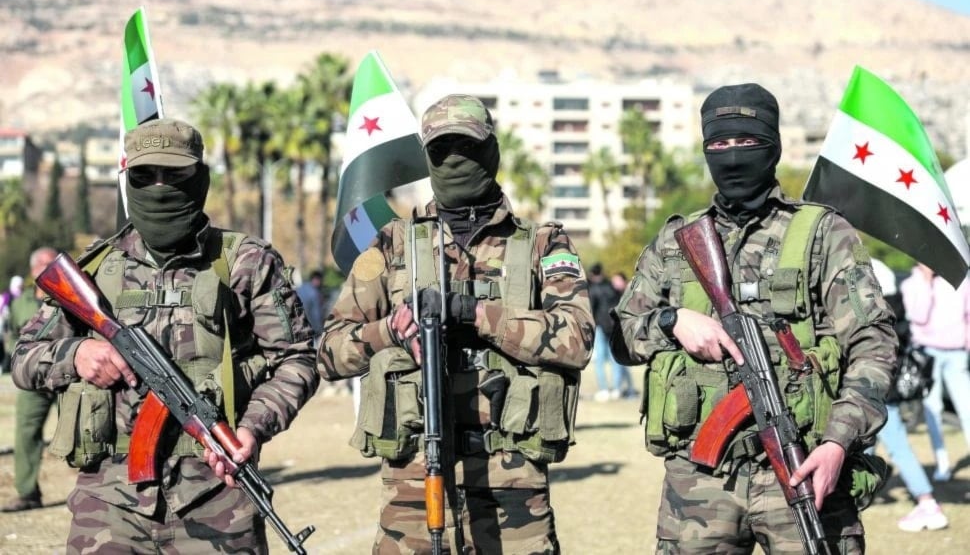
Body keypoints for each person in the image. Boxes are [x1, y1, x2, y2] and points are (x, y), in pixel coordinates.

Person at [610, 83, 897, 553]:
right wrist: (671, 321)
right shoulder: (678, 241)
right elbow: (621, 336)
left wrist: (837, 443)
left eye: (747, 142)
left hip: (804, 464)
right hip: (700, 485)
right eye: (719, 143)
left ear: (774, 146)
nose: (733, 154)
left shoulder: (823, 233)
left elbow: (874, 344)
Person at [11, 118, 319, 552]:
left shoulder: (246, 263)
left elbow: (298, 359)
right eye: (144, 175)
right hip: (108, 507)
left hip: (218, 498)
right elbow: (25, 357)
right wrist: (77, 353)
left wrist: (252, 428)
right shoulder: (96, 270)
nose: (159, 185)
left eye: (175, 174)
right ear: (127, 180)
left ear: (201, 178)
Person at [319, 94, 593, 554]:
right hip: (414, 484)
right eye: (441, 151)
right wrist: (392, 331)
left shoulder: (542, 243)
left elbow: (577, 338)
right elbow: (329, 352)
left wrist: (476, 315)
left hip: (513, 484)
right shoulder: (392, 245)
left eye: (466, 148)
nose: (454, 160)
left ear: (491, 152)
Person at [869, 258, 948, 532]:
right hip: (883, 382)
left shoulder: (872, 290)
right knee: (864, 444)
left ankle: (927, 503)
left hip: (877, 386)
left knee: (897, 444)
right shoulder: (889, 285)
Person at [900, 263, 970, 483]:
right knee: (933, 410)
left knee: (966, 408)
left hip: (957, 353)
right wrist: (926, 283)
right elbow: (918, 316)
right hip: (927, 355)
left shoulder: (960, 281)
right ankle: (942, 463)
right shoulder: (912, 284)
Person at [2, 248, 58, 512]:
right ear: (34, 270)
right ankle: (27, 492)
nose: (51, 268)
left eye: (55, 263)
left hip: (66, 377)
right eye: (45, 264)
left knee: (86, 428)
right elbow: (12, 336)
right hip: (34, 380)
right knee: (25, 434)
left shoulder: (70, 297)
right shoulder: (20, 302)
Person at [588, 262, 634, 401]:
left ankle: (603, 389)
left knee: (600, 360)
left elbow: (591, 309)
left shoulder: (593, 289)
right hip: (614, 325)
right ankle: (617, 388)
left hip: (601, 326)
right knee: (616, 358)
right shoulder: (612, 286)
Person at [0, 274, 24, 372]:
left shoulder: (21, 295)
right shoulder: (7, 295)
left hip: (16, 324)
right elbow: (3, 309)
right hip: (6, 323)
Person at [296, 268, 326, 334]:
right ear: (317, 280)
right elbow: (316, 313)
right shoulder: (315, 293)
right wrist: (320, 329)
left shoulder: (301, 287)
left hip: (296, 323)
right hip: (309, 326)